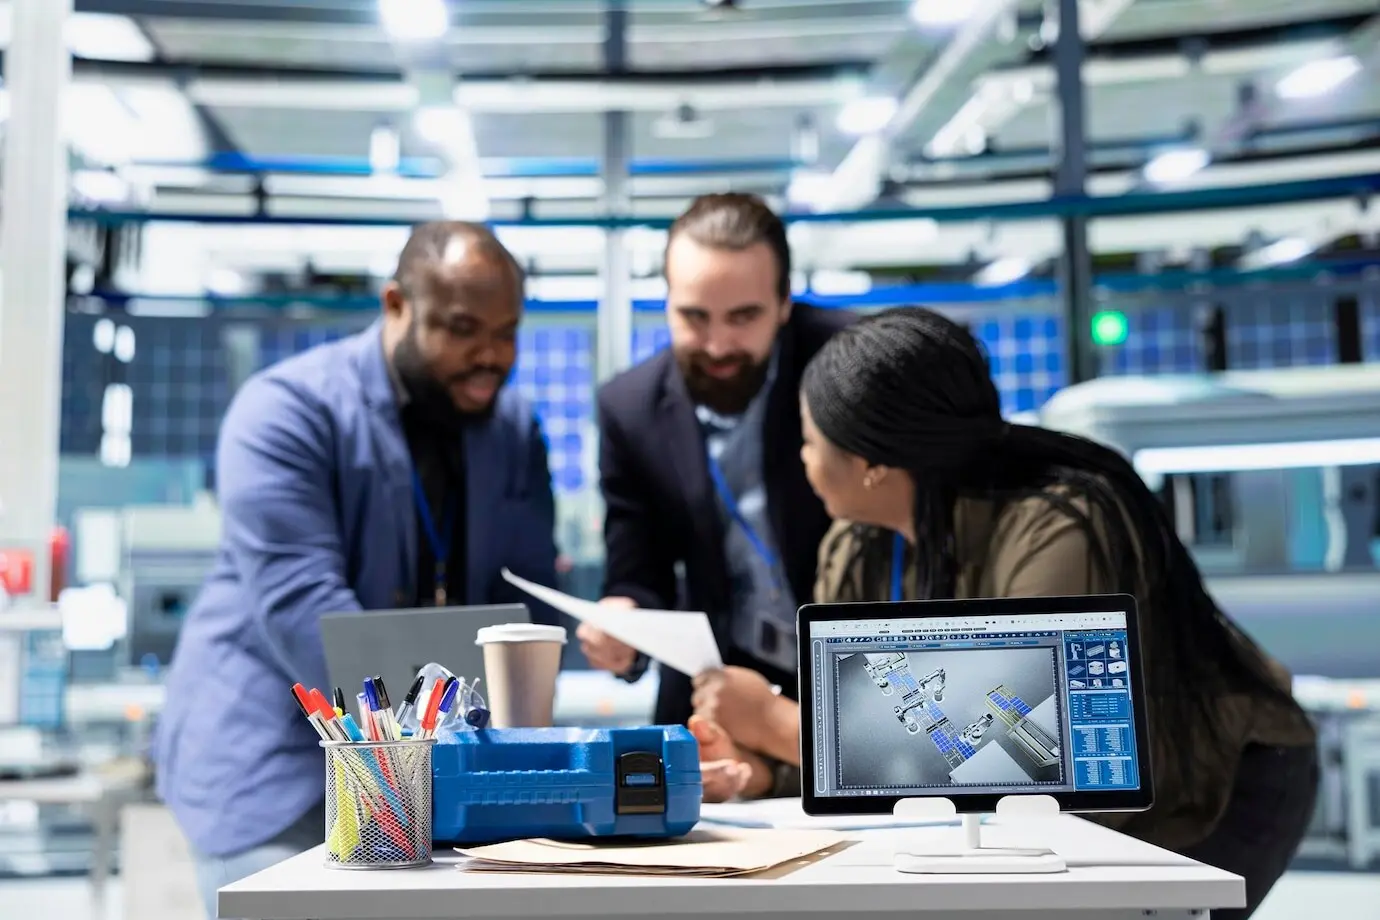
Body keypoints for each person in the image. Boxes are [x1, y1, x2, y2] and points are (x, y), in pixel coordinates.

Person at [692, 306, 1318, 920]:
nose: (803, 460)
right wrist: (759, 773)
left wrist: (774, 722)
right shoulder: (856, 544)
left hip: (1217, 783)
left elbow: (1032, 757)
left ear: (872, 463)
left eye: (809, 439)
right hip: (1048, 819)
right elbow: (868, 750)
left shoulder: (1061, 528)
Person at [153, 221, 561, 919]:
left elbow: (525, 604)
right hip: (280, 775)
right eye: (463, 329)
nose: (491, 355)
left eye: (507, 332)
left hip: (443, 775)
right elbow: (306, 612)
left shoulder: (512, 430)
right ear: (397, 305)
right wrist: (437, 749)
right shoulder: (286, 412)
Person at [580, 193, 852, 766]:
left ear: (784, 302)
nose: (718, 345)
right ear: (667, 303)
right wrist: (623, 620)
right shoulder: (630, 408)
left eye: (744, 317)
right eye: (694, 317)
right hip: (716, 696)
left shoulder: (849, 364)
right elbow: (638, 570)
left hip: (858, 678)